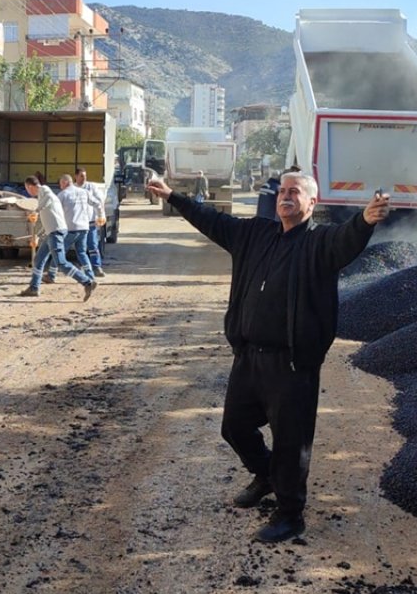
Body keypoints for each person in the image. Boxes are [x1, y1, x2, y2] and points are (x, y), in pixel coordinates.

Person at [144, 172, 389, 544]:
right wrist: (173, 197)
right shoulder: (255, 234)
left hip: (292, 364)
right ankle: (267, 476)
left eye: (296, 192)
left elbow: (346, 239)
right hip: (249, 357)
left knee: (291, 442)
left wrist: (364, 221)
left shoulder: (319, 243)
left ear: (312, 203)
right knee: (235, 428)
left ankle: (291, 515)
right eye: (282, 192)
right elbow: (211, 220)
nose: (286, 197)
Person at [19, 175, 97, 301]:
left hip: (56, 233)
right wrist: (38, 235)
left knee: (61, 263)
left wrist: (37, 210)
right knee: (38, 260)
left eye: (27, 189)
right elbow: (50, 218)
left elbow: (48, 199)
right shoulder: (42, 196)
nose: (28, 192)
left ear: (30, 186)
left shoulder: (44, 190)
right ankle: (34, 288)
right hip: (52, 232)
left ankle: (87, 282)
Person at [53, 174, 96, 281]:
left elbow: (55, 210)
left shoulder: (62, 195)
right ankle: (90, 275)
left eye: (60, 184)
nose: (60, 186)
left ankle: (51, 274)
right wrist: (100, 215)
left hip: (71, 229)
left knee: (59, 252)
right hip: (84, 228)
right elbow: (97, 203)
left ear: (64, 182)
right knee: (82, 253)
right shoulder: (84, 192)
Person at [74, 166, 108, 277]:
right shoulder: (72, 189)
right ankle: (85, 268)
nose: (84, 178)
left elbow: (100, 200)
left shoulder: (91, 187)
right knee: (80, 247)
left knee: (93, 245)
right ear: (76, 176)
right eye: (81, 176)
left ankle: (96, 267)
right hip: (78, 223)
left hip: (90, 221)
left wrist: (101, 215)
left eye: (85, 176)